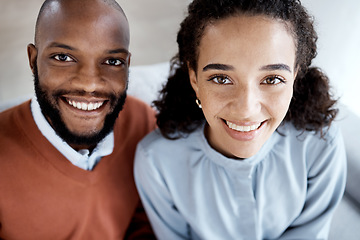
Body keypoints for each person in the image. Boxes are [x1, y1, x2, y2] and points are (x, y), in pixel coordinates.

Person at [134, 0, 347, 239]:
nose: (246, 109)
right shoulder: (156, 162)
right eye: (222, 79)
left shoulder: (320, 145)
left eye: (272, 79)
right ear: (194, 78)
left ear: (295, 76)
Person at [0, 0, 156, 239]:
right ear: (33, 60)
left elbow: (144, 220)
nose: (89, 83)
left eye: (113, 61)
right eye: (63, 57)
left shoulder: (142, 122)